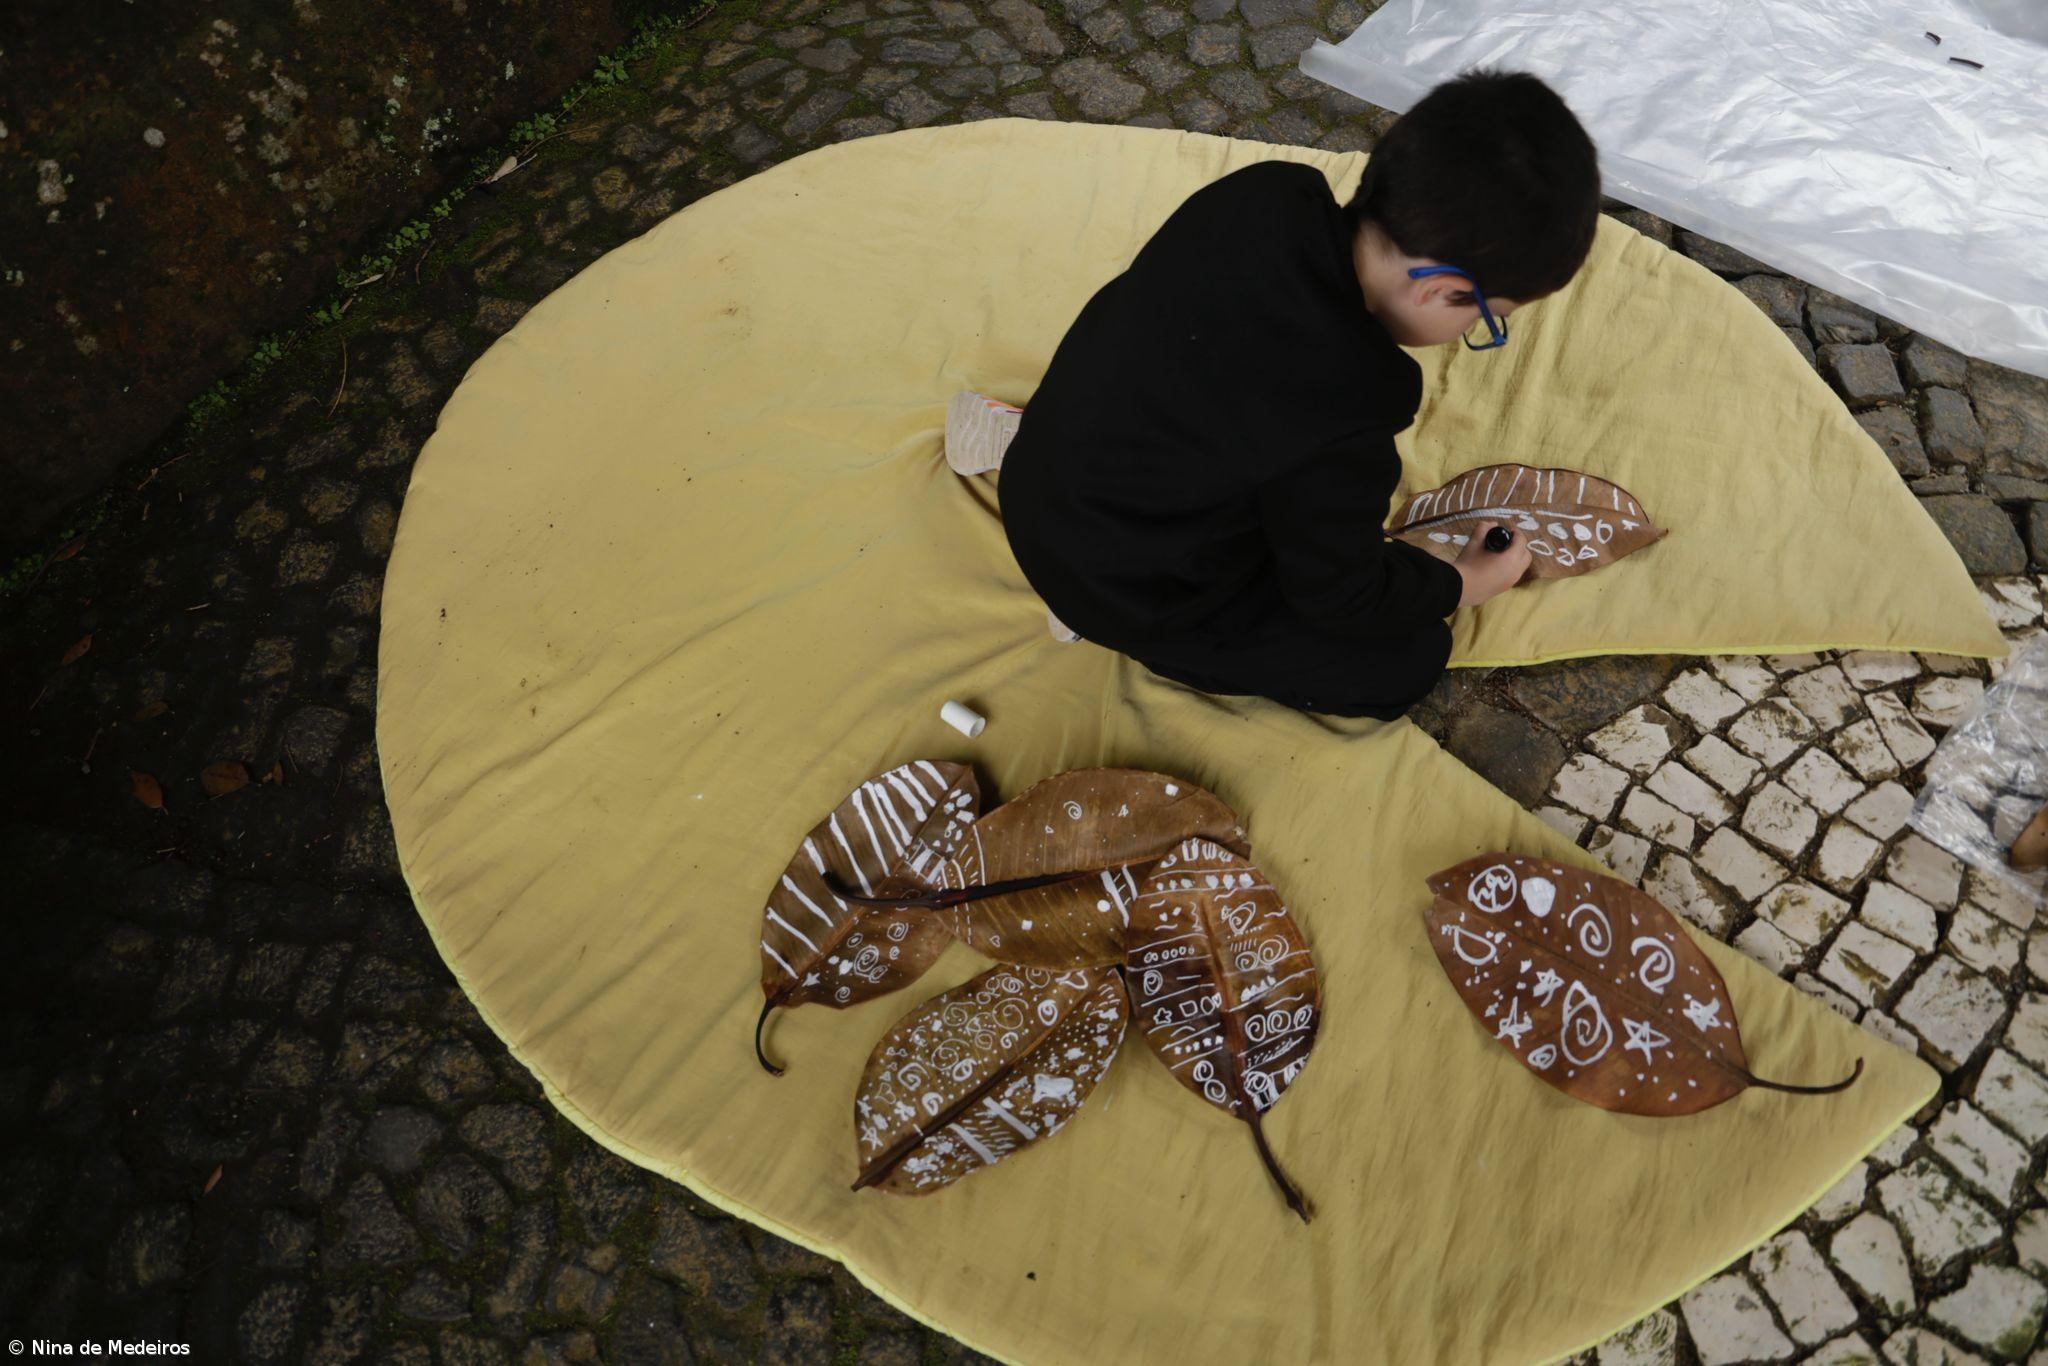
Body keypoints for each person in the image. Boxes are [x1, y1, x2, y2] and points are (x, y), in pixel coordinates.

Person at [946, 69, 1602, 719]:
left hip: (1046, 475)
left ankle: (1016, 443)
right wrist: (1460, 581)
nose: (1472, 333)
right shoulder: (1356, 397)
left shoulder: (1268, 192)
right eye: (1486, 320)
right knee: (1409, 657)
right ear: (1437, 290)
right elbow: (1341, 595)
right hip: (1119, 586)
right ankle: (1114, 629)